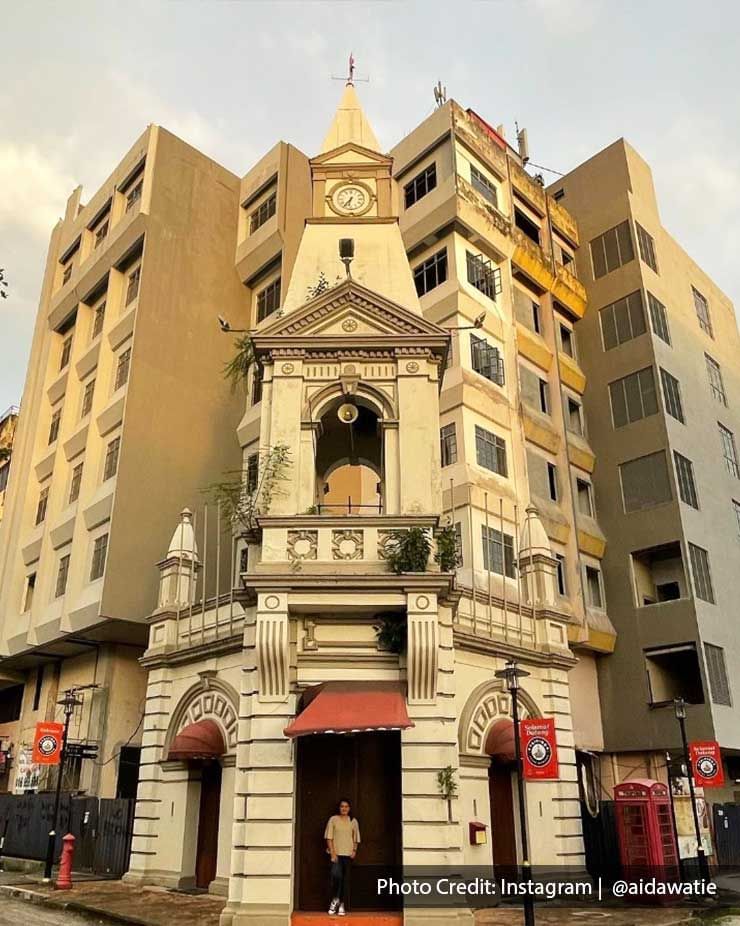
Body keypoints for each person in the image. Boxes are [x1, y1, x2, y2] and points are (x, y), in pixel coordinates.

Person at [324, 798, 360, 916]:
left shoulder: (353, 821)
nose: (344, 808)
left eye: (346, 806)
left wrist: (354, 850)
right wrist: (333, 853)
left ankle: (341, 904)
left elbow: (356, 838)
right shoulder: (333, 820)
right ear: (339, 808)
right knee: (336, 876)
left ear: (349, 808)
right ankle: (335, 900)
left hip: (348, 854)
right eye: (342, 806)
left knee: (344, 880)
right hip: (336, 854)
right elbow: (329, 837)